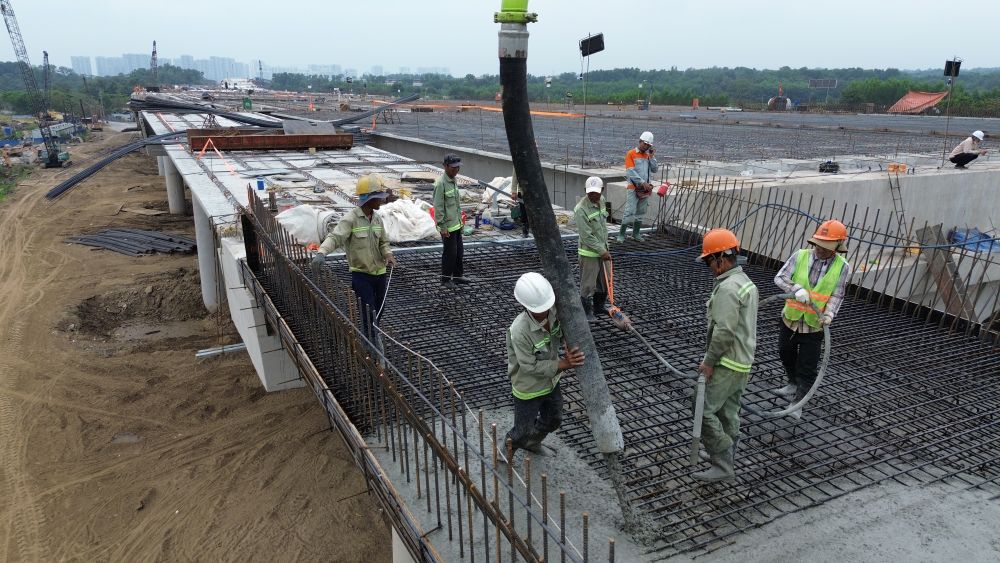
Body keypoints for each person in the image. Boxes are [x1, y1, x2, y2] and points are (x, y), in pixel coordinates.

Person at [694, 229, 758, 482]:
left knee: (703, 407)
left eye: (709, 261)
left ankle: (722, 462)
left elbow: (724, 331)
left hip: (727, 361)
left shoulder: (729, 288)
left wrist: (709, 362)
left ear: (721, 258)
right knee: (728, 412)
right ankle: (728, 455)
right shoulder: (745, 283)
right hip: (742, 362)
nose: (708, 266)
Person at [773, 220, 852, 419]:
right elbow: (780, 277)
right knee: (785, 352)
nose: (820, 250)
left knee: (807, 366)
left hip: (814, 326)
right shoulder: (800, 256)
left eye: (826, 247)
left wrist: (829, 314)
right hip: (790, 319)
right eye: (818, 244)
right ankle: (792, 383)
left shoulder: (842, 267)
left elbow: (837, 295)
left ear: (837, 247)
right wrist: (796, 288)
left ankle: (797, 403)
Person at [505, 272, 585, 457]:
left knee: (553, 419)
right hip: (528, 388)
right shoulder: (519, 331)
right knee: (522, 430)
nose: (547, 309)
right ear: (526, 305)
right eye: (542, 307)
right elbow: (529, 367)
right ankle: (505, 452)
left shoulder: (553, 310)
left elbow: (562, 328)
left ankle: (532, 443)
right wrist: (565, 363)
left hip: (550, 382)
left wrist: (567, 338)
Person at [313, 173, 397, 344]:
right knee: (368, 312)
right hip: (362, 276)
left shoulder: (377, 219)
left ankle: (373, 335)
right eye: (378, 197)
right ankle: (370, 344)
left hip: (380, 273)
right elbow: (335, 237)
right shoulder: (351, 219)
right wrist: (322, 253)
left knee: (379, 310)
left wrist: (388, 254)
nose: (381, 201)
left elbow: (383, 242)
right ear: (368, 199)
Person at [574, 176, 611, 321]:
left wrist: (605, 249)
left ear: (602, 190)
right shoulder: (580, 209)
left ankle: (599, 307)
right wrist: (602, 251)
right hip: (589, 253)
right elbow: (586, 236)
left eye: (596, 192)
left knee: (604, 281)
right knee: (588, 285)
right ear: (585, 191)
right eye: (590, 193)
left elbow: (602, 226)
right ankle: (587, 312)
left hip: (603, 250)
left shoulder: (601, 201)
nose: (593, 196)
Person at [619, 131, 658, 243]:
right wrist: (642, 182)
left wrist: (652, 156)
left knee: (641, 211)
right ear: (640, 141)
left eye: (649, 145)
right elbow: (630, 171)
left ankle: (636, 234)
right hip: (634, 187)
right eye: (645, 144)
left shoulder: (648, 156)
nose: (646, 147)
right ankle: (621, 235)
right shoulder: (631, 154)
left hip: (645, 189)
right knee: (629, 211)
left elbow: (655, 169)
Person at [433, 154, 465, 289]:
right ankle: (445, 279)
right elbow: (438, 207)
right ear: (445, 166)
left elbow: (456, 204)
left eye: (457, 167)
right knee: (450, 253)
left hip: (456, 224)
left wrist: (461, 222)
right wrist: (442, 226)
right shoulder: (440, 184)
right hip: (448, 227)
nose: (456, 170)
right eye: (453, 167)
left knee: (459, 252)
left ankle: (458, 277)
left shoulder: (454, 180)